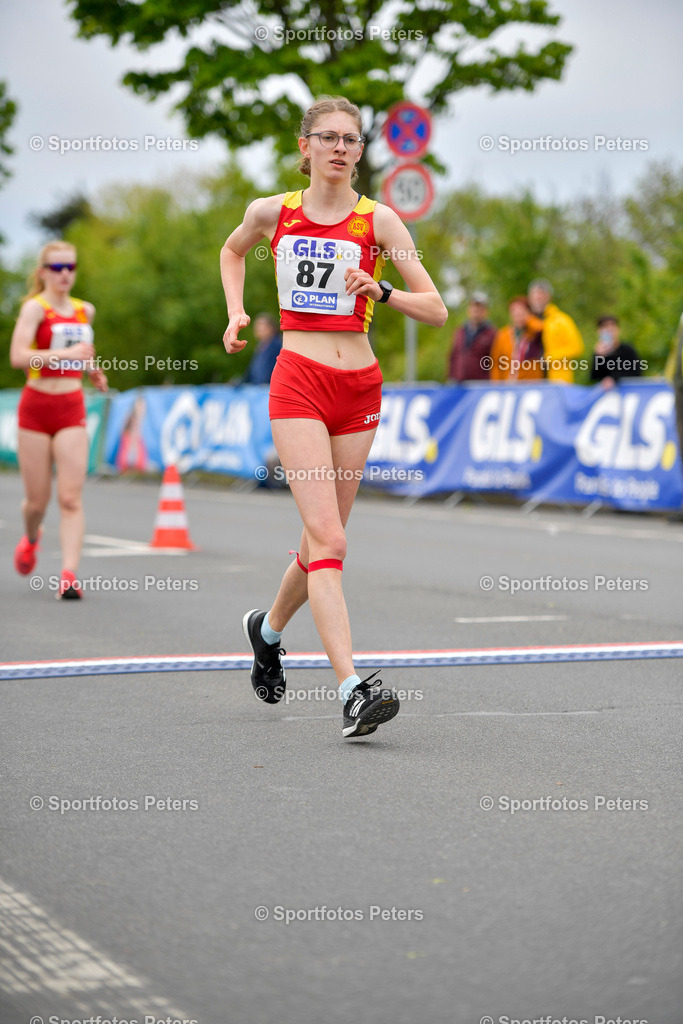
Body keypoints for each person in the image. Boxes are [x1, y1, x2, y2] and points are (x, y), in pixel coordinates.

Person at [220, 96, 447, 738]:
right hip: (298, 382)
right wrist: (236, 311)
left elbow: (436, 310)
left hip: (360, 389)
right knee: (333, 541)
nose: (342, 148)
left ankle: (265, 633)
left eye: (352, 139)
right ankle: (351, 689)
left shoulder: (380, 223)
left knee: (324, 539)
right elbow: (231, 252)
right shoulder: (273, 213)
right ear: (306, 147)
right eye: (329, 138)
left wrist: (381, 289)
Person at [9, 240, 108, 598]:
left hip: (70, 407)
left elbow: (80, 356)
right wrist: (64, 353)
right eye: (56, 268)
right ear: (43, 273)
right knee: (37, 502)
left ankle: (69, 576)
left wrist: (93, 371)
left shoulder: (86, 311)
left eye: (70, 267)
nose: (65, 274)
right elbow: (19, 356)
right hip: (36, 407)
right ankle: (32, 536)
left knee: (70, 498)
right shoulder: (35, 309)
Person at [528, 278, 583, 383]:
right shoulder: (527, 323)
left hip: (557, 380)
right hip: (533, 380)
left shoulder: (561, 320)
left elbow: (576, 348)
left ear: (549, 297)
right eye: (534, 295)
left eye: (541, 294)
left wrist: (549, 357)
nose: (537, 298)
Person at [490, 296, 545, 382]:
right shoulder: (503, 335)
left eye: (522, 312)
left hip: (531, 384)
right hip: (509, 383)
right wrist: (496, 384)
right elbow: (496, 362)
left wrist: (528, 319)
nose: (518, 315)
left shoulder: (533, 332)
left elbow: (541, 328)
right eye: (514, 312)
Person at [446, 290, 496, 382]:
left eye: (479, 308)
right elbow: (453, 356)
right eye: (474, 307)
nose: (476, 310)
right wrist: (451, 377)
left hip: (480, 385)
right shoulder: (460, 332)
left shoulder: (492, 334)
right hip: (458, 383)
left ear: (485, 311)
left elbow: (496, 360)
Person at [590, 315, 643, 388]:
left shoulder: (627, 350)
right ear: (599, 331)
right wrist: (598, 357)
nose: (609, 329)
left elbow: (637, 373)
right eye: (605, 326)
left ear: (618, 329)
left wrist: (613, 378)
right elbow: (594, 377)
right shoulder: (599, 353)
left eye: (612, 325)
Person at [241, 313, 282, 384]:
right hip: (258, 389)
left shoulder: (277, 345)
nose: (259, 329)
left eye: (263, 326)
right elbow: (251, 370)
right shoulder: (261, 346)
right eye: (257, 326)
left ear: (271, 328)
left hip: (268, 388)